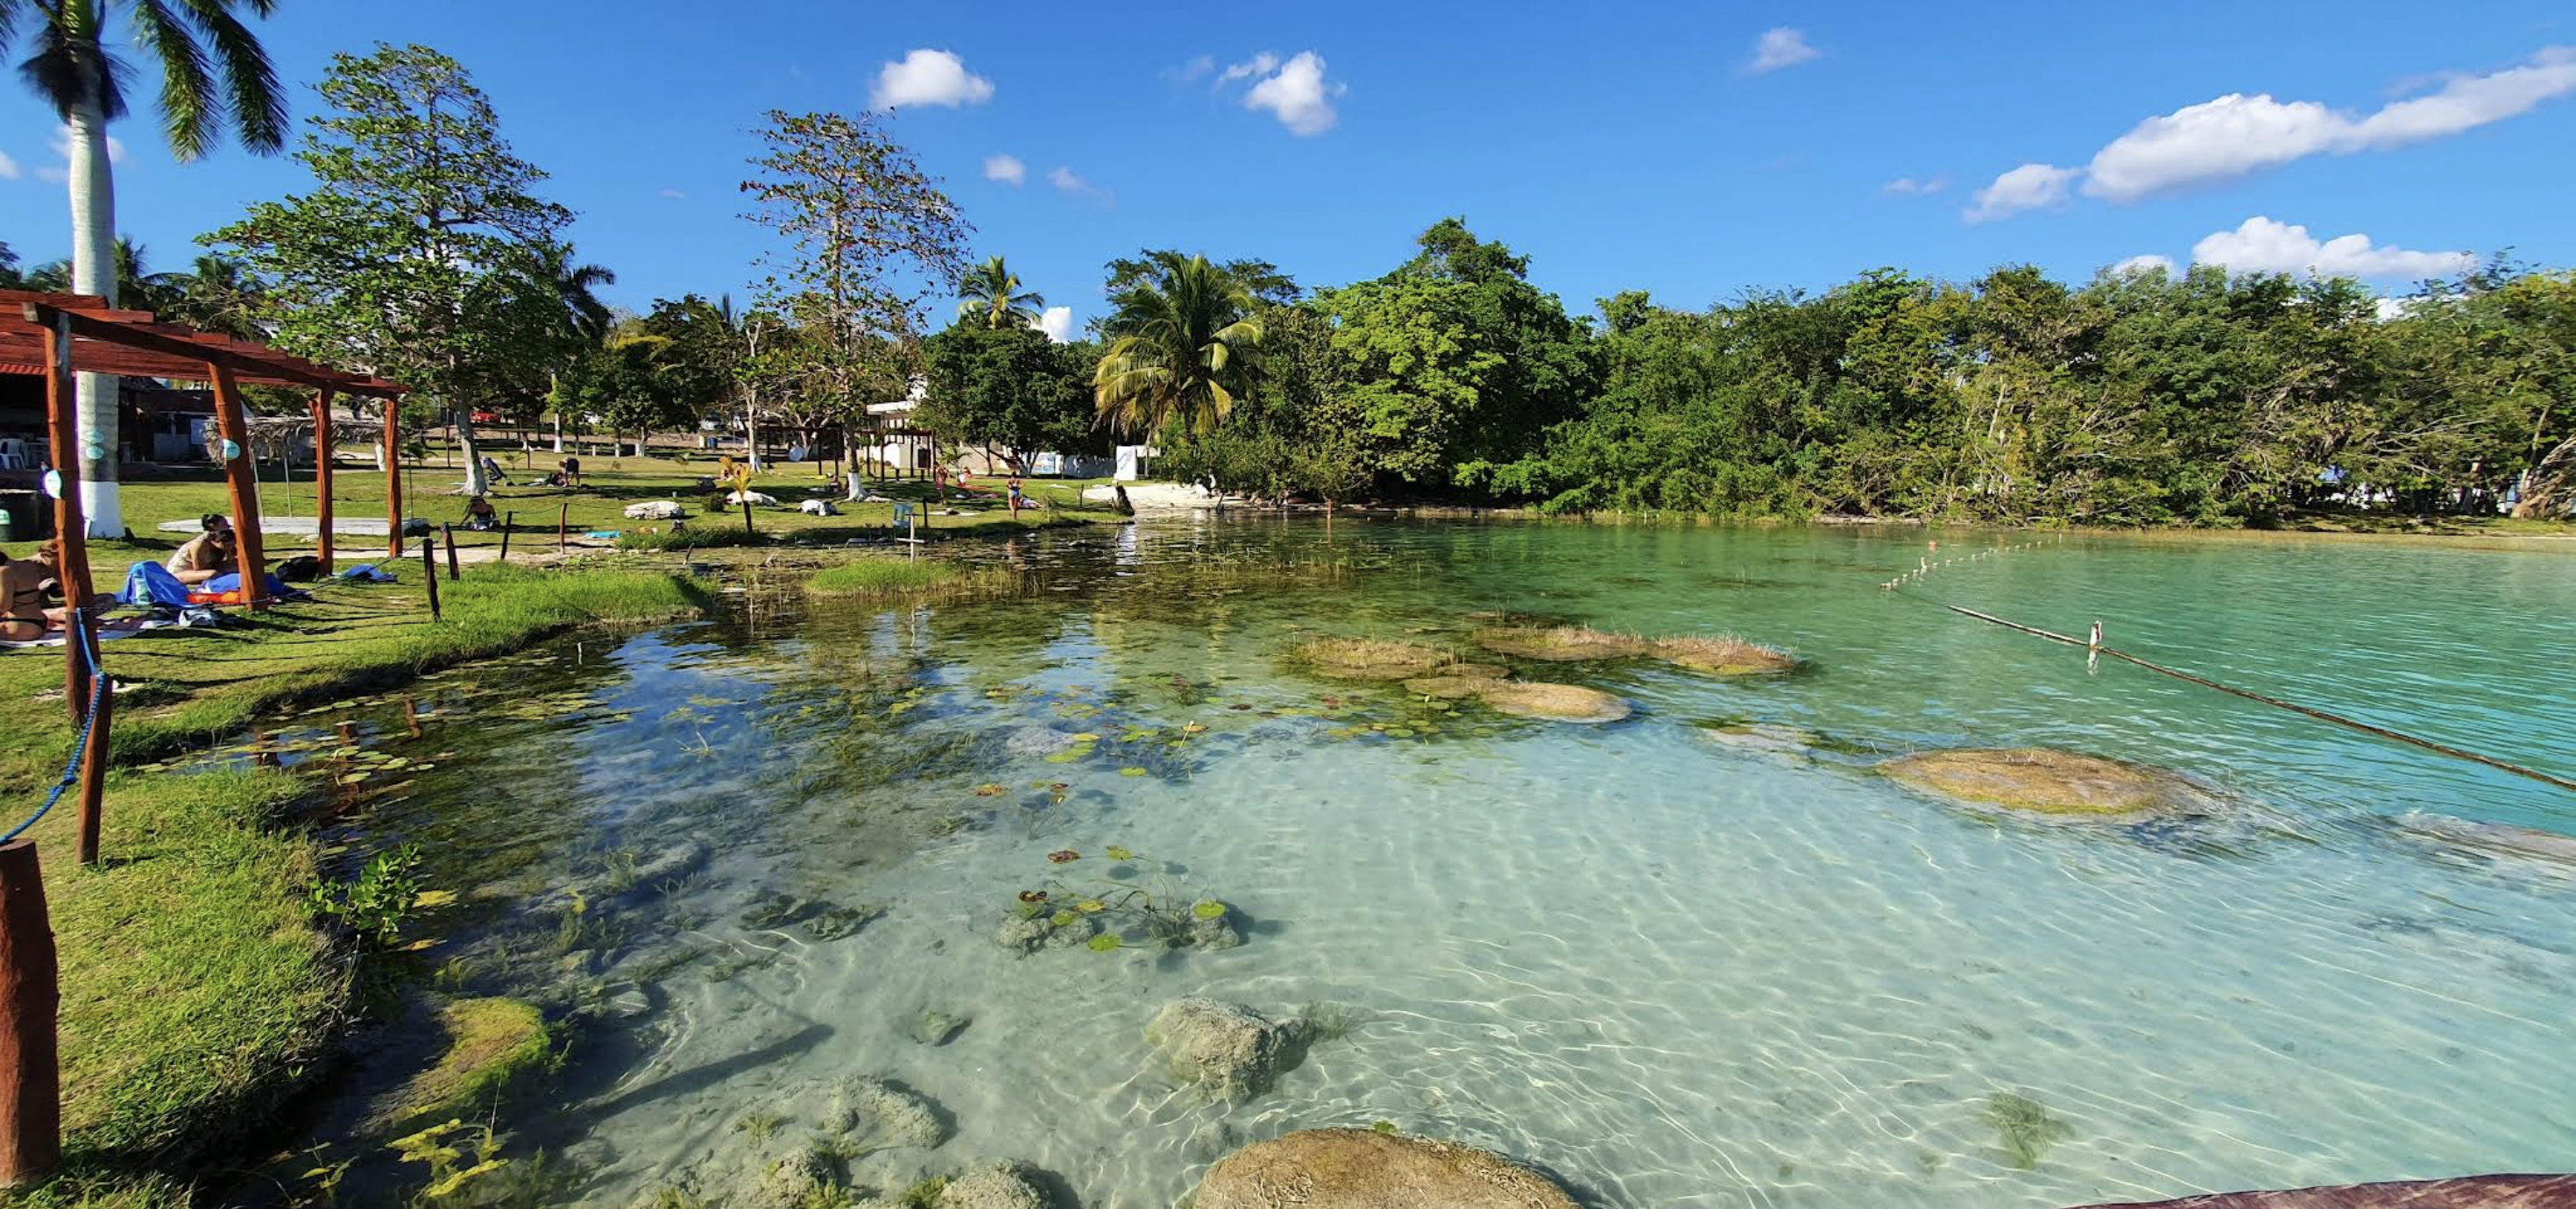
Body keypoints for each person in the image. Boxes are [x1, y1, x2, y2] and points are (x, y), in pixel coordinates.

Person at [0, 543, 67, 641]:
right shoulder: (29, 565)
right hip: (39, 622)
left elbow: (3, 607)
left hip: (19, 626)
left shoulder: (4, 571)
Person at [167, 522, 238, 586]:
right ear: (218, 542)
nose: (229, 548)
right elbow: (199, 568)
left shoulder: (221, 548)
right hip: (180, 573)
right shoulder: (200, 545)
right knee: (213, 574)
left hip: (203, 569)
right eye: (227, 546)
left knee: (236, 565)